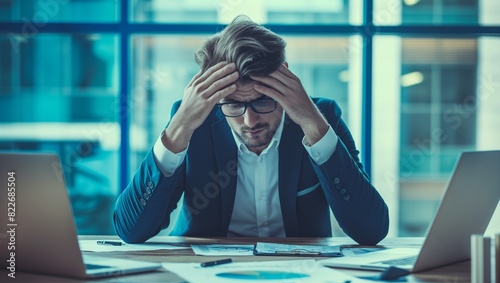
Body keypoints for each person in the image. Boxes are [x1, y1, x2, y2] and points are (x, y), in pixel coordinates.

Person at [114, 15, 389, 245]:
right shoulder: (192, 122)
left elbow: (371, 231)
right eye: (233, 104)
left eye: (262, 101)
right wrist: (177, 129)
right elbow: (131, 230)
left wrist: (313, 125)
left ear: (285, 79)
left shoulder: (322, 117)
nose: (250, 121)